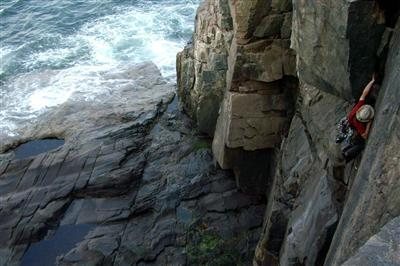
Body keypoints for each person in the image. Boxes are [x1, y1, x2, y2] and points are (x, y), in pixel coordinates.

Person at [341, 75, 376, 161]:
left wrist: (372, 81)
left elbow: (364, 93)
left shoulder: (358, 108)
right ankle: (347, 154)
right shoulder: (359, 125)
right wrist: (369, 124)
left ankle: (345, 150)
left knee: (353, 139)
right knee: (361, 144)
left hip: (347, 124)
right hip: (352, 130)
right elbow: (365, 136)